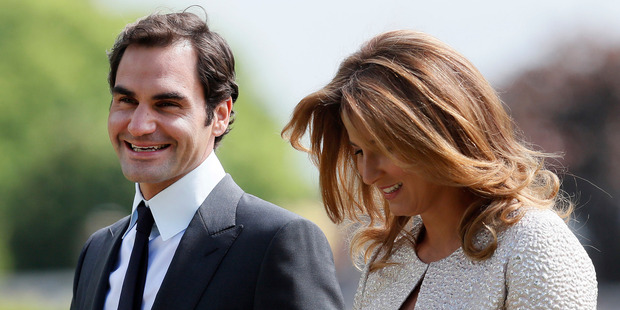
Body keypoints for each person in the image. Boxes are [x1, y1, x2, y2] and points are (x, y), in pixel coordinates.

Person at [282, 30, 597, 309]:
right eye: (359, 151)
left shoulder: (535, 245)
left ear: (444, 134)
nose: (367, 173)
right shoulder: (388, 259)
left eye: (386, 147)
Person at [70, 10, 344, 310]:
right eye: (127, 101)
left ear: (220, 116)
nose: (138, 125)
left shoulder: (277, 243)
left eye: (167, 104)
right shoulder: (97, 251)